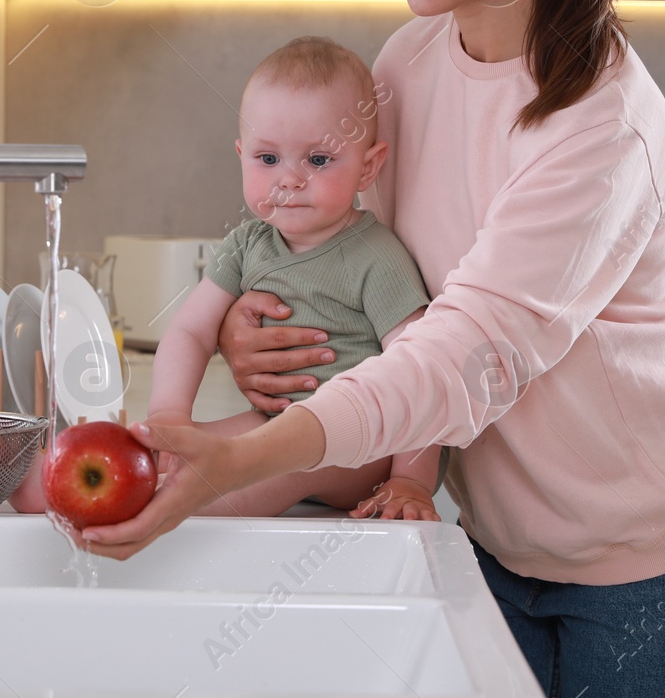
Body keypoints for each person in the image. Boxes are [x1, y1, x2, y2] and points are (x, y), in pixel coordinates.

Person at [84, 0, 665, 698]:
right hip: (495, 537)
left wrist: (238, 455)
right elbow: (350, 246)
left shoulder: (600, 117)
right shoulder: (406, 62)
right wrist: (247, 314)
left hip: (654, 544)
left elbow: (469, 350)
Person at [145, 36, 442, 521]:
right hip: (274, 425)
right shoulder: (247, 245)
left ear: (368, 167)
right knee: (171, 454)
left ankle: (182, 510)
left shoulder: (376, 257)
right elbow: (189, 332)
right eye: (268, 159)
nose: (289, 179)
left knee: (263, 472)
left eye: (318, 160)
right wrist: (169, 418)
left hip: (362, 450)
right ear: (241, 155)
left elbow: (422, 372)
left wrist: (410, 480)